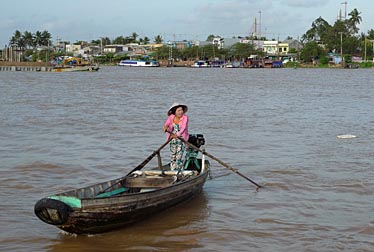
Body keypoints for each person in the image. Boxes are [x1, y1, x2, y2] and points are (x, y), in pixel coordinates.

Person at [163, 103, 189, 170]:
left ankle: (178, 170)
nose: (181, 112)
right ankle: (173, 169)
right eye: (179, 110)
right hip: (172, 138)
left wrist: (177, 135)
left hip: (181, 138)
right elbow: (167, 124)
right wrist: (165, 127)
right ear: (175, 111)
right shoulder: (171, 117)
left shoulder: (185, 118)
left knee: (179, 155)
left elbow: (183, 128)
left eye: (181, 110)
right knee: (173, 155)